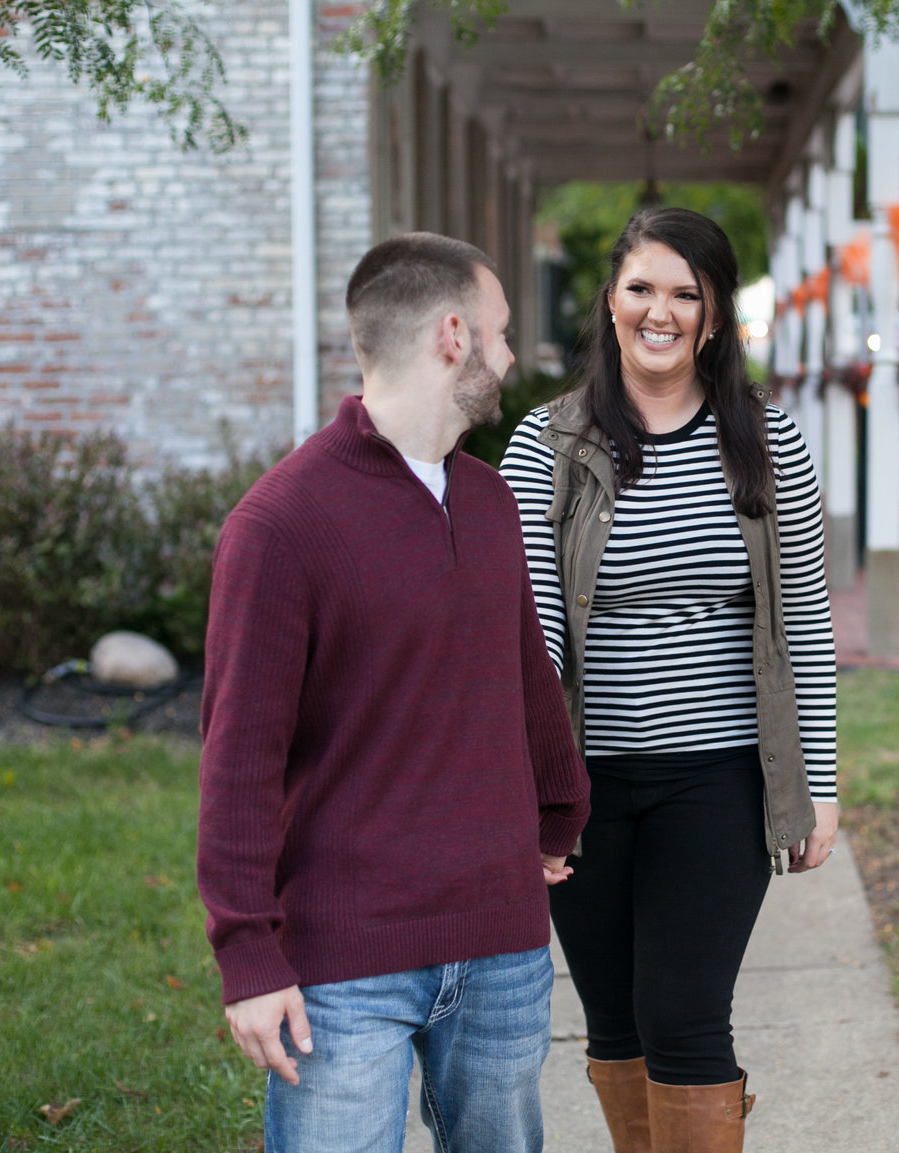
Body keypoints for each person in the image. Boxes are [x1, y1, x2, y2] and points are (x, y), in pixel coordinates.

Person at [197, 232, 591, 1151]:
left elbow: (527, 681)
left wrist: (557, 816)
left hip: (501, 945)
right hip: (346, 960)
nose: (507, 357)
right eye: (497, 333)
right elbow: (239, 758)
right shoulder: (281, 525)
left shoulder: (490, 503)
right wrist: (248, 953)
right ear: (452, 334)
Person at [498, 206, 839, 1152]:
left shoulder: (768, 439)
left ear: (718, 314)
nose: (663, 310)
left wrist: (820, 786)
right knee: (614, 1022)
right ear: (611, 300)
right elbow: (531, 632)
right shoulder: (548, 443)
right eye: (643, 287)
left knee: (684, 1014)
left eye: (687, 293)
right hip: (587, 779)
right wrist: (538, 792)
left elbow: (802, 623)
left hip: (719, 773)